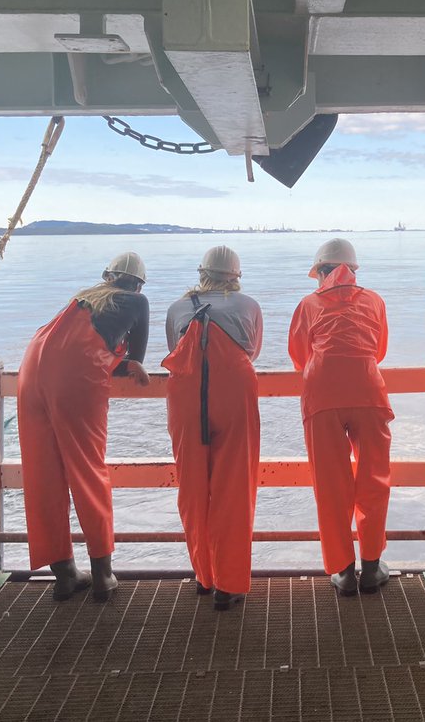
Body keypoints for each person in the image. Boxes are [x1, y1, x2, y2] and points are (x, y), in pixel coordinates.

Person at [16, 252, 151, 602]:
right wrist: (131, 367)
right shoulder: (136, 301)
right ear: (138, 283)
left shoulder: (83, 297)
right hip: (74, 376)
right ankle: (103, 576)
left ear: (107, 276)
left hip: (31, 370)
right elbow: (134, 358)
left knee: (43, 474)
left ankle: (63, 575)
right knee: (88, 471)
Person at [288, 238, 394, 596]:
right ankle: (373, 568)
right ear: (353, 271)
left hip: (322, 397)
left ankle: (343, 572)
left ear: (320, 272)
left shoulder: (308, 304)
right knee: (374, 481)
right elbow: (378, 351)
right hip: (368, 391)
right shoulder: (374, 300)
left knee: (331, 487)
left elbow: (300, 356)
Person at [163, 246, 263, 611]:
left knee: (192, 488)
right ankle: (229, 584)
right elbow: (251, 349)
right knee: (233, 489)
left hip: (185, 396)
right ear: (235, 276)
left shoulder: (176, 307)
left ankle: (204, 577)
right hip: (234, 392)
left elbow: (174, 349)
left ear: (201, 271)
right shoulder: (248, 305)